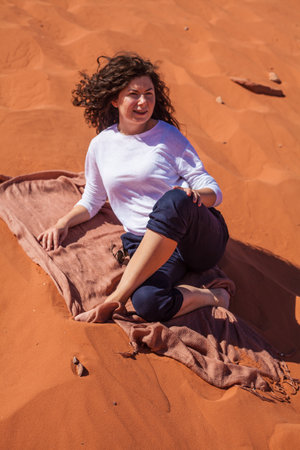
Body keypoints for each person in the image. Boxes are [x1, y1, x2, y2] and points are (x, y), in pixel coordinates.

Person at [38, 53, 230, 323]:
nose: (143, 102)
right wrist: (63, 222)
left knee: (173, 200)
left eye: (149, 94)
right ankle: (215, 297)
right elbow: (92, 199)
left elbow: (213, 189)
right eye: (134, 94)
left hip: (197, 237)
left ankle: (115, 298)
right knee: (147, 303)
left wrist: (194, 196)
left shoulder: (168, 137)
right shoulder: (101, 146)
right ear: (115, 99)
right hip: (149, 243)